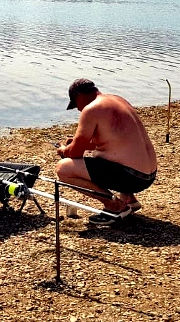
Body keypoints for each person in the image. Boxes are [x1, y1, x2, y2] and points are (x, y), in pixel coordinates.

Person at [55, 78, 157, 225]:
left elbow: (75, 154)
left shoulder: (91, 109)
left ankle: (115, 206)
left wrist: (64, 150)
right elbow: (114, 141)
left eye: (76, 105)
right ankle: (129, 199)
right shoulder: (118, 100)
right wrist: (81, 142)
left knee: (63, 169)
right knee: (102, 154)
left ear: (79, 97)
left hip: (131, 178)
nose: (78, 109)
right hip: (148, 175)